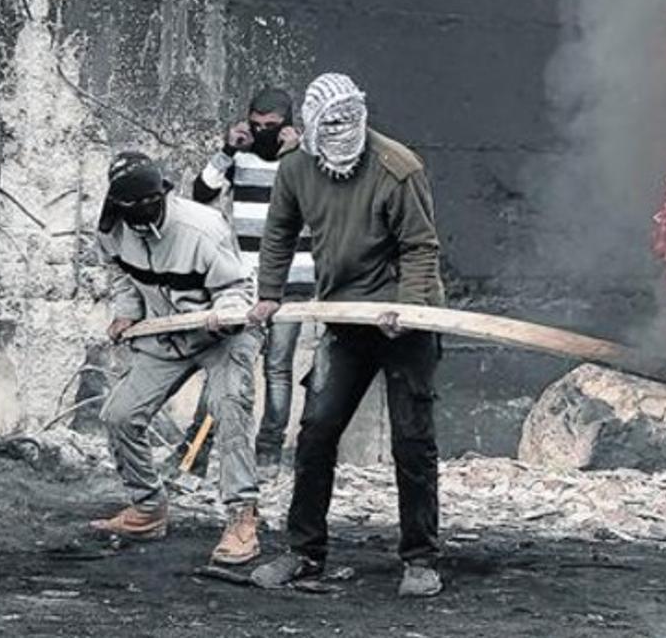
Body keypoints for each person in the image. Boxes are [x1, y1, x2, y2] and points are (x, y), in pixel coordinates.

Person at [245, 73, 447, 597]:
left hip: (406, 322)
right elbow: (279, 232)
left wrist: (406, 308)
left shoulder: (397, 169)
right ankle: (304, 553)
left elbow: (420, 248)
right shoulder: (295, 170)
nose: (340, 133)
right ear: (308, 129)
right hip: (343, 319)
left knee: (412, 439)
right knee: (315, 432)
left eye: (348, 122)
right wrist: (269, 293)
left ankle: (420, 559)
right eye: (327, 126)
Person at [90, 151, 262, 565]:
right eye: (128, 209)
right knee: (119, 415)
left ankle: (243, 519)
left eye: (147, 206)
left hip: (223, 334)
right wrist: (127, 311)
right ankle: (148, 508)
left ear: (162, 195)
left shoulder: (202, 227)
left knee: (229, 410)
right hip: (166, 333)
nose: (139, 215)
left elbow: (237, 286)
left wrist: (226, 314)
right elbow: (120, 274)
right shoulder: (111, 228)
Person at [168, 87, 312, 478]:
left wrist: (297, 153)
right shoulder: (240, 155)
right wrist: (228, 149)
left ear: (287, 124)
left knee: (278, 369)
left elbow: (315, 199)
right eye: (256, 124)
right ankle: (194, 453)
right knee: (227, 365)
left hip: (292, 280)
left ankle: (268, 455)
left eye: (272, 126)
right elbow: (201, 194)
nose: (263, 131)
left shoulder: (304, 159)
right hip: (245, 281)